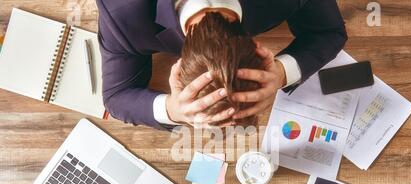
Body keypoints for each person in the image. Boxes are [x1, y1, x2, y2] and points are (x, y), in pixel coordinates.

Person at [96, 0, 347, 130]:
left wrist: (282, 73)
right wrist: (174, 109)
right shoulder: (121, 13)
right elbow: (115, 96)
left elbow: (330, 32)